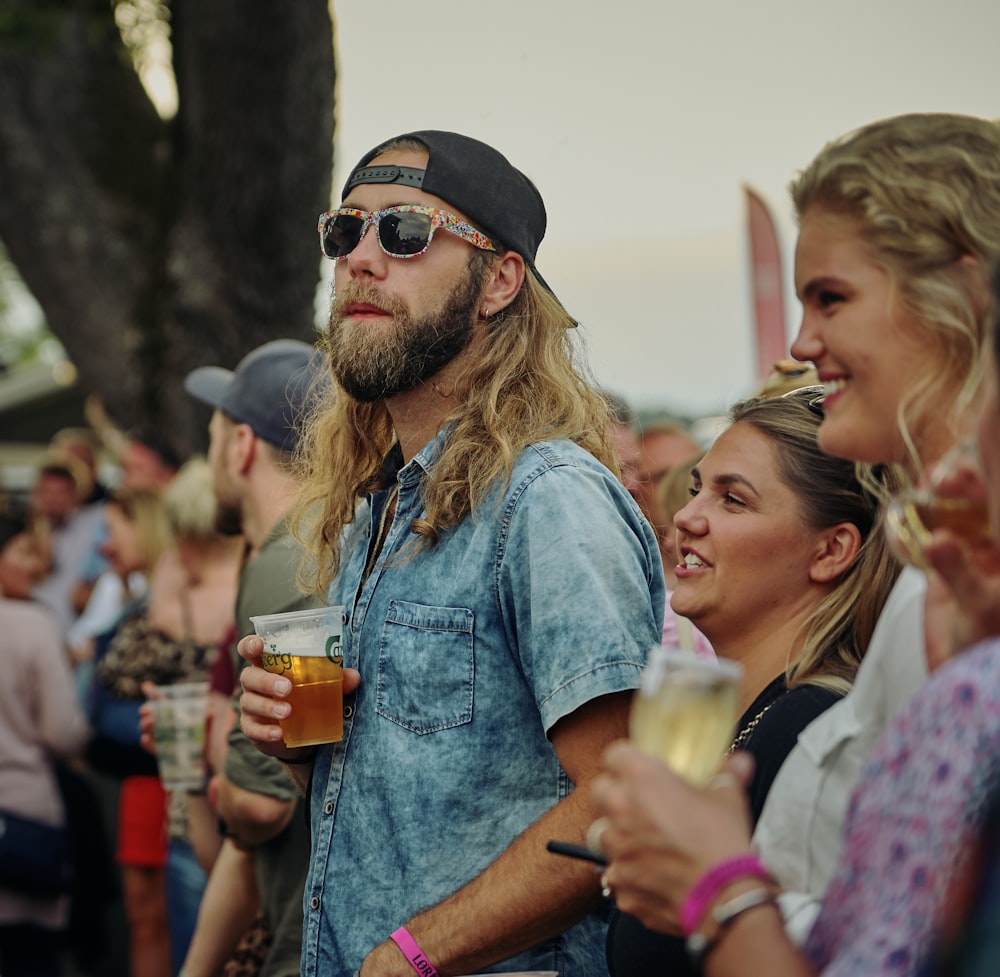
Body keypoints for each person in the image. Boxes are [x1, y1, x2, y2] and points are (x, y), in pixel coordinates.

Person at [237, 129, 664, 977]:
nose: (361, 258)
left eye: (404, 232)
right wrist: (295, 750)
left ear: (499, 280)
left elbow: (624, 798)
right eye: (344, 231)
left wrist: (413, 955)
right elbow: (391, 815)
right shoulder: (376, 507)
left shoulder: (548, 500)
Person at [590, 111, 1000, 977]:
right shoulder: (947, 585)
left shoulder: (840, 680)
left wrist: (722, 889)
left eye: (833, 298)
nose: (801, 344)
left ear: (963, 294)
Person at [605, 390, 902, 976]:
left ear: (832, 549)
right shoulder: (758, 716)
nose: (687, 517)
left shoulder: (813, 735)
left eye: (733, 500)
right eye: (696, 490)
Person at [178, 338, 328, 977]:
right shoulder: (330, 538)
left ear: (239, 447)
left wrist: (217, 769)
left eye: (212, 437)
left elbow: (265, 804)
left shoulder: (289, 562)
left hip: (310, 940)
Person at [0, 512, 89, 977]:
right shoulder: (32, 624)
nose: (35, 567)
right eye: (22, 552)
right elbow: (61, 731)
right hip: (23, 823)